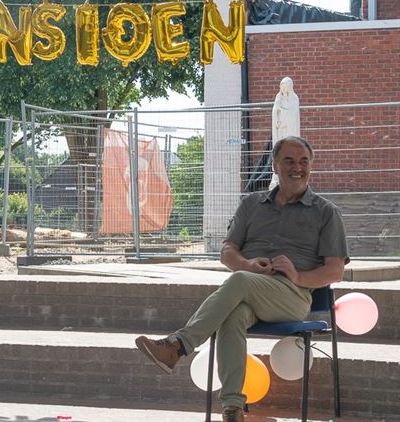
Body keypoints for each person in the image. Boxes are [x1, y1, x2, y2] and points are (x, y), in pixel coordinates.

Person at [135, 136, 348, 422]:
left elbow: (335, 270)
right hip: (251, 287)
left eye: (303, 161)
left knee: (239, 282)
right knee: (233, 314)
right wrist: (247, 263)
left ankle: (177, 346)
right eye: (288, 161)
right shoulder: (251, 205)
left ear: (311, 166)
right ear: (274, 165)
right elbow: (227, 252)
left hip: (293, 296)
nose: (297, 167)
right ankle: (233, 408)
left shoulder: (326, 212)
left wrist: (297, 275)